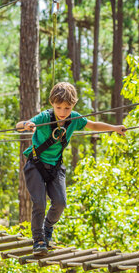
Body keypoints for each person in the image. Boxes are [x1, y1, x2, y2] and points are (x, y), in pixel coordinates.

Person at [16, 82, 126, 255]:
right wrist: (27, 124)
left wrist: (114, 128)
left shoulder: (74, 119)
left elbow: (93, 125)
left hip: (55, 167)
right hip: (35, 165)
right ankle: (38, 239)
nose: (62, 112)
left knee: (60, 203)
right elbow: (19, 125)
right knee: (39, 202)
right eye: (58, 107)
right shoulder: (44, 118)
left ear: (73, 105)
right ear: (52, 104)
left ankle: (47, 228)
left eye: (67, 108)